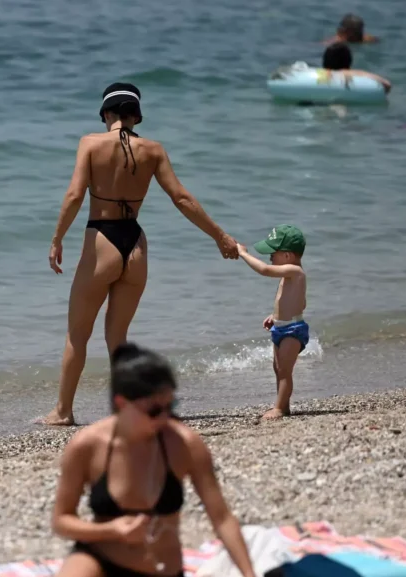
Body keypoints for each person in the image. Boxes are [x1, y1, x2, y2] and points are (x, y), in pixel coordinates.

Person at [43, 82, 238, 427]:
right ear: (136, 116)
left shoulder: (90, 143)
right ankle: (127, 408)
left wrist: (57, 238)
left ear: (106, 113)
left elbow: (74, 195)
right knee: (117, 338)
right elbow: (182, 198)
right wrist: (219, 236)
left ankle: (63, 411)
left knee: (78, 334)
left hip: (101, 240)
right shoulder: (154, 150)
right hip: (135, 245)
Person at [51, 343, 256, 577]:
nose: (165, 417)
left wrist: (249, 574)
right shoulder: (88, 445)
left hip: (162, 570)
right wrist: (111, 530)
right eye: (154, 410)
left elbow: (222, 519)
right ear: (121, 403)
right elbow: (61, 520)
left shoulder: (184, 444)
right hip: (101, 561)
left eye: (171, 406)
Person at [237, 225, 308, 421]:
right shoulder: (289, 276)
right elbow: (299, 302)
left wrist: (243, 254)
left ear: (287, 256)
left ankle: (278, 408)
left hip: (293, 329)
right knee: (277, 368)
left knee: (285, 370)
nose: (270, 257)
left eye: (272, 253)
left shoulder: (295, 271)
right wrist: (275, 315)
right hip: (281, 327)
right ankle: (283, 406)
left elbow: (265, 270)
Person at [321, 42, 391, 92]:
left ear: (324, 61)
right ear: (349, 60)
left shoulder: (318, 73)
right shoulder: (351, 73)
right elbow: (387, 84)